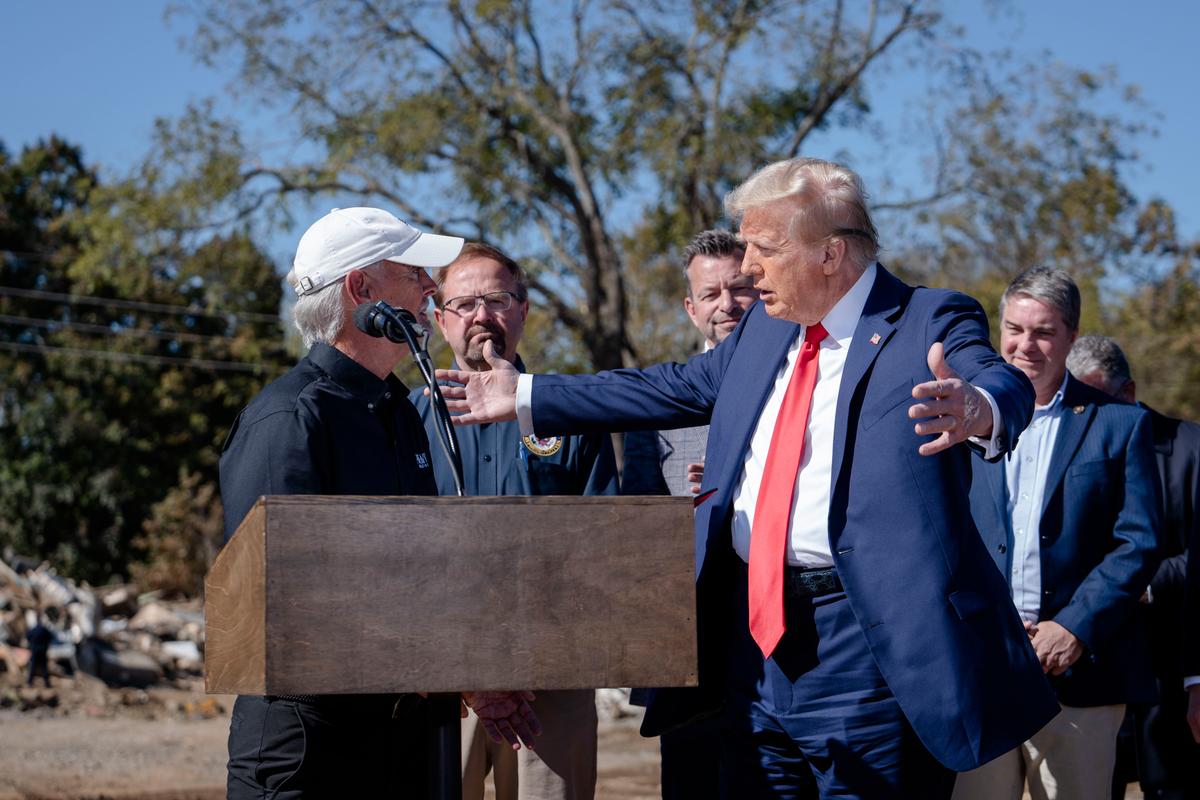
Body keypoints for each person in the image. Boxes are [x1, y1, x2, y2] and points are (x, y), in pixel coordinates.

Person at [437, 157, 1059, 799]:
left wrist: (979, 409)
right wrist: (527, 392)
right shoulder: (764, 329)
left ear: (830, 253)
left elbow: (999, 377)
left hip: (870, 651)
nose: (749, 268)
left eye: (764, 248)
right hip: (750, 651)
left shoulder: (929, 319)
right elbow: (670, 386)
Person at [218, 207, 540, 799]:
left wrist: (463, 676)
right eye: (414, 271)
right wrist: (460, 673)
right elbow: (285, 605)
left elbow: (412, 578)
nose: (430, 288)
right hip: (312, 755)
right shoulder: (291, 418)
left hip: (404, 744)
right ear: (362, 291)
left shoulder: (399, 411)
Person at [410, 242, 618, 800]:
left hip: (549, 683)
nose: (482, 316)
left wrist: (532, 658)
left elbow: (602, 549)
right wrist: (466, 672)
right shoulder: (402, 421)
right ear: (438, 319)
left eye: (498, 299)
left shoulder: (569, 412)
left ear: (523, 311)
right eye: (464, 303)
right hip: (441, 684)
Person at [954, 271, 1161, 800]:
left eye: (1043, 332)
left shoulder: (1120, 423)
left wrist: (1074, 627)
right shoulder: (962, 420)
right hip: (983, 669)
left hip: (1081, 678)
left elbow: (1137, 541)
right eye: (1014, 329)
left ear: (1071, 336)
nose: (1026, 346)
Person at [620, 229, 760, 800]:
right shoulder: (657, 399)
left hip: (783, 642)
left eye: (741, 288)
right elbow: (638, 521)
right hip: (688, 647)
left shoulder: (801, 389)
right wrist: (688, 513)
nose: (726, 304)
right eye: (711, 294)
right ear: (690, 307)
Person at [1066, 334, 1200, 800]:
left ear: (1128, 392)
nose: (1085, 412)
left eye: (1096, 396)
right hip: (1093, 672)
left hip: (1170, 673)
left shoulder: (1190, 448)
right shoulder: (1062, 449)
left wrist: (1136, 585)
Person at [25, 612, 54, 688]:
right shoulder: (44, 630)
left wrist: (32, 644)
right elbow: (51, 637)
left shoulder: (33, 629)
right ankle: (47, 684)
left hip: (35, 650)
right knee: (44, 667)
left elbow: (28, 636)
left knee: (33, 667)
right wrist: (46, 644)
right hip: (43, 650)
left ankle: (30, 682)